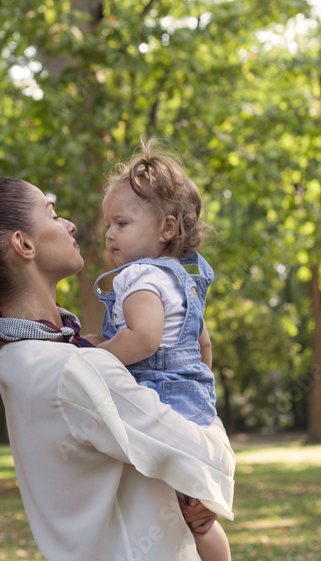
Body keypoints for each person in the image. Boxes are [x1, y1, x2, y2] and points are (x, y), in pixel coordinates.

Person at [0, 177, 235, 560]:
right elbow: (203, 455)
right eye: (53, 214)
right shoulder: (73, 370)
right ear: (24, 244)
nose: (71, 225)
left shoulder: (17, 356)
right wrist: (207, 475)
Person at [89, 139, 230, 559]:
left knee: (163, 507)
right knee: (198, 517)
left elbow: (143, 339)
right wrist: (201, 397)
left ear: (166, 229)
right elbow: (202, 344)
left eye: (122, 223)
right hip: (194, 406)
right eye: (108, 224)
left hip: (161, 404)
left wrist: (92, 358)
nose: (110, 235)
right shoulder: (184, 279)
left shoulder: (138, 278)